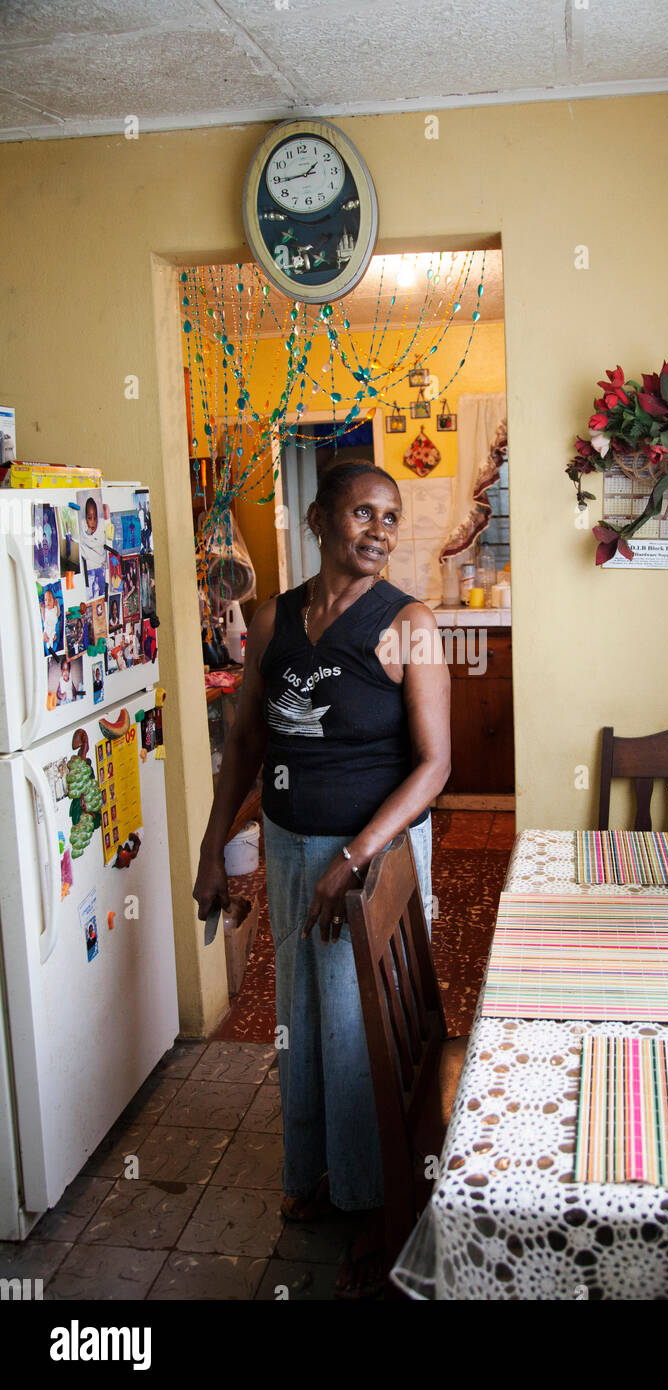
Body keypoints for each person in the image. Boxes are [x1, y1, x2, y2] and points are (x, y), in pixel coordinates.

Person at [193, 460, 451, 1299]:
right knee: (303, 1014)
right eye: (362, 513)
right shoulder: (272, 620)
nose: (380, 530)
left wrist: (354, 858)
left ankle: (380, 1207)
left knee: (360, 1028)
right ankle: (319, 1174)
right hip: (290, 842)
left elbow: (435, 765)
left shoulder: (409, 622)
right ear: (319, 518)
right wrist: (210, 850)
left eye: (391, 516)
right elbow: (243, 747)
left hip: (369, 857)